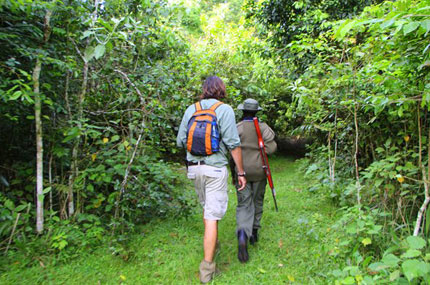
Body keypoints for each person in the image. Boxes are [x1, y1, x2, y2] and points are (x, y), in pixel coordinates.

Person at [176, 76, 246, 283]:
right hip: (215, 170)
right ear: (221, 90)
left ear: (204, 90)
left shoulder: (191, 109)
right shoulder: (224, 110)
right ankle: (207, 270)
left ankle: (212, 244)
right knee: (212, 217)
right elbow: (233, 144)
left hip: (194, 169)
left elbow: (180, 141)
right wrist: (240, 172)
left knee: (208, 212)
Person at [235, 98, 277, 263]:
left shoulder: (237, 128)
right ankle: (254, 233)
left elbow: (230, 147)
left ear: (243, 111)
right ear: (256, 112)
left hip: (242, 172)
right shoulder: (263, 127)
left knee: (244, 203)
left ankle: (243, 234)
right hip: (260, 170)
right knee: (257, 199)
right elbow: (272, 147)